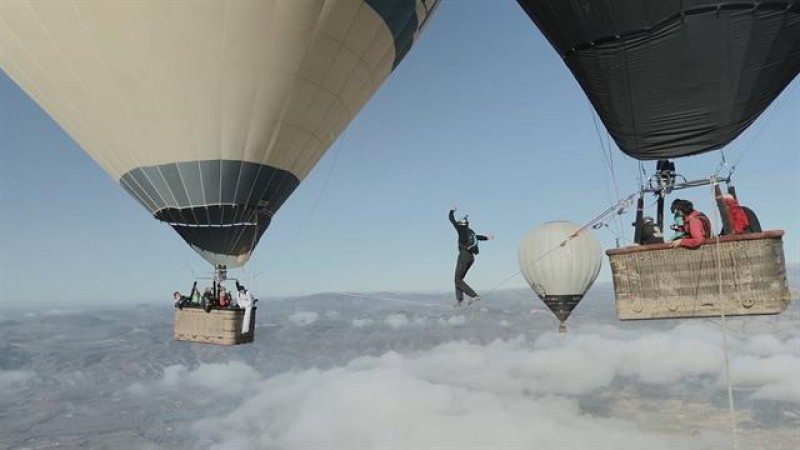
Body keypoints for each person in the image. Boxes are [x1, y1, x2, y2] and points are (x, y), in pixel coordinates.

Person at [448, 207, 493, 307]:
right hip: (471, 258)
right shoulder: (470, 232)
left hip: (464, 256)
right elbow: (478, 237)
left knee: (457, 280)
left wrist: (451, 211)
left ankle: (473, 296)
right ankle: (459, 300)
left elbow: (451, 219)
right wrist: (487, 237)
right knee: (458, 279)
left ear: (461, 224)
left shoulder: (461, 230)